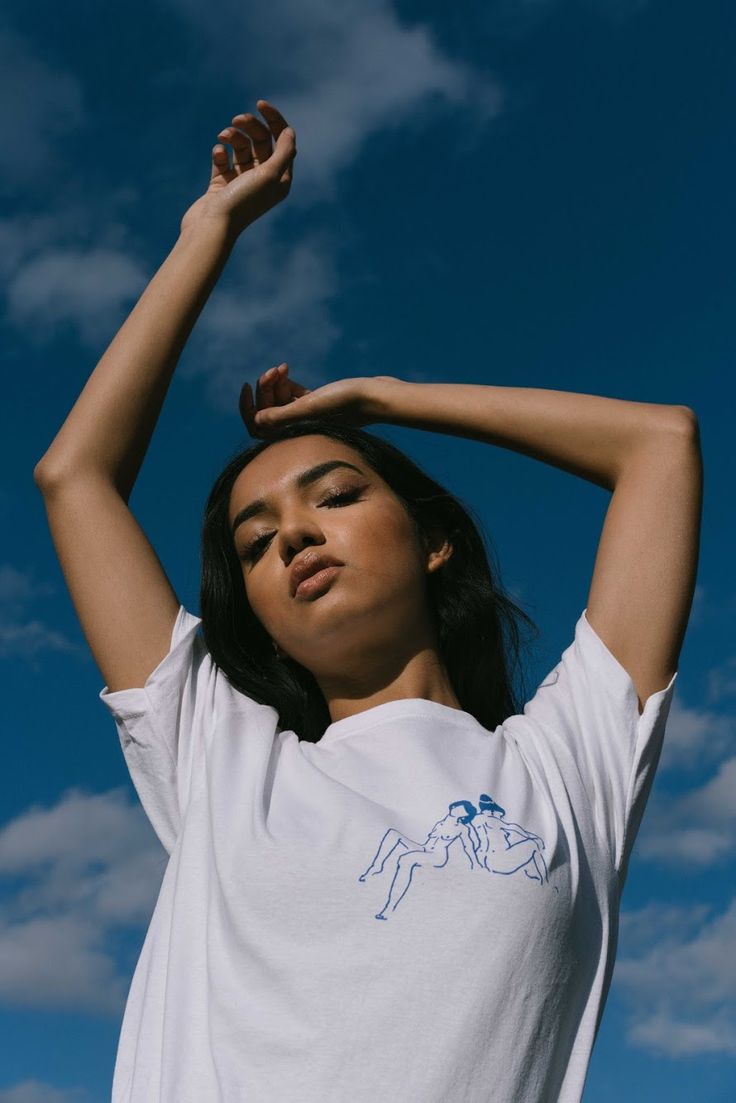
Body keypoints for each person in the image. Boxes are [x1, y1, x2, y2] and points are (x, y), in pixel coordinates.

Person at [33, 100, 703, 1103]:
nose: (294, 533)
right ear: (251, 609)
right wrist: (207, 230)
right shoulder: (219, 750)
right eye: (254, 543)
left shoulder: (568, 766)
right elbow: (74, 476)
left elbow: (658, 444)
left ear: (434, 541)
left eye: (337, 495)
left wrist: (379, 398)